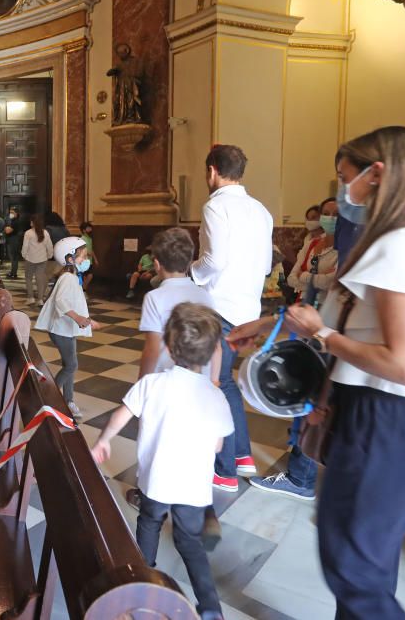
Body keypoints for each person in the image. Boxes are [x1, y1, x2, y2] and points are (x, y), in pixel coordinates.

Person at [228, 126, 405, 619]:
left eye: (345, 179)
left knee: (354, 569)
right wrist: (275, 322)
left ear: (375, 174)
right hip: (398, 419)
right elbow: (356, 316)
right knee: (366, 564)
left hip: (398, 421)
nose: (343, 194)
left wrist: (322, 337)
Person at [91, 303, 232, 620]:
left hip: (156, 481)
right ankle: (210, 608)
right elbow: (220, 443)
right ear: (210, 354)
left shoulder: (151, 384)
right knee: (190, 543)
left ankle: (142, 581)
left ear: (168, 347)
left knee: (150, 522)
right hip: (194, 487)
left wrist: (103, 441)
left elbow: (119, 416)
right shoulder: (215, 396)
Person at [190, 144, 273, 492]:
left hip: (219, 308)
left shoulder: (216, 206)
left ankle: (223, 471)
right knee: (226, 383)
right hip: (248, 310)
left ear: (212, 171)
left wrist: (192, 273)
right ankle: (242, 455)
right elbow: (267, 265)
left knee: (213, 385)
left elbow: (214, 261)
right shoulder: (261, 210)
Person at [121, 228, 221, 510]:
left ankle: (147, 492)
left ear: (156, 263)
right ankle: (185, 489)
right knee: (186, 433)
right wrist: (212, 380)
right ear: (191, 261)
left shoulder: (155, 297)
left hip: (164, 380)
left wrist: (143, 383)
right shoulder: (204, 295)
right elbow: (216, 345)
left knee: (153, 435)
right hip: (197, 380)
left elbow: (152, 347)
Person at [34, 236, 101, 420]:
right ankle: (47, 396)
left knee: (69, 365)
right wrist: (79, 318)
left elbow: (75, 302)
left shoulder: (71, 277)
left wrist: (87, 319)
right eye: (82, 256)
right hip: (61, 330)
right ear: (70, 258)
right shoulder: (68, 278)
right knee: (71, 365)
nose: (85, 260)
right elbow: (61, 301)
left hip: (65, 329)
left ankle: (68, 400)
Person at [287, 197, 339, 307]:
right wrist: (320, 281)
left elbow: (332, 283)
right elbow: (291, 279)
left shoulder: (346, 248)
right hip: (305, 304)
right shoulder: (311, 243)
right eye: (326, 213)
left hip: (329, 307)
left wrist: (304, 276)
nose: (330, 218)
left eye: (336, 214)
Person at [21, 214, 53, 306]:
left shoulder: (28, 233)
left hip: (30, 259)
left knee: (28, 278)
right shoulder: (45, 232)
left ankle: (30, 298)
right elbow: (49, 246)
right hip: (42, 259)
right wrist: (50, 255)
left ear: (33, 222)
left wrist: (23, 255)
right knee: (40, 279)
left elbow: (25, 246)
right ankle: (40, 299)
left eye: (31, 221)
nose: (30, 222)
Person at [4, 206, 24, 278]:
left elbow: (7, 231)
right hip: (11, 240)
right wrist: (7, 228)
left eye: (12, 212)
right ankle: (12, 272)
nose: (10, 214)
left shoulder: (16, 221)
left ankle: (14, 273)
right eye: (10, 212)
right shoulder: (12, 220)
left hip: (14, 241)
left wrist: (6, 228)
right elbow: (7, 229)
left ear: (16, 213)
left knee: (14, 258)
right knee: (12, 258)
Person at [79, 221, 98, 290]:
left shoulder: (90, 239)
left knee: (86, 277)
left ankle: (83, 290)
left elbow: (91, 249)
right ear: (84, 230)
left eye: (90, 228)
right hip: (84, 261)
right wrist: (87, 253)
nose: (90, 229)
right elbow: (80, 250)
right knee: (90, 276)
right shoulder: (82, 239)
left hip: (90, 261)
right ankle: (82, 289)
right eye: (88, 228)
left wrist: (95, 259)